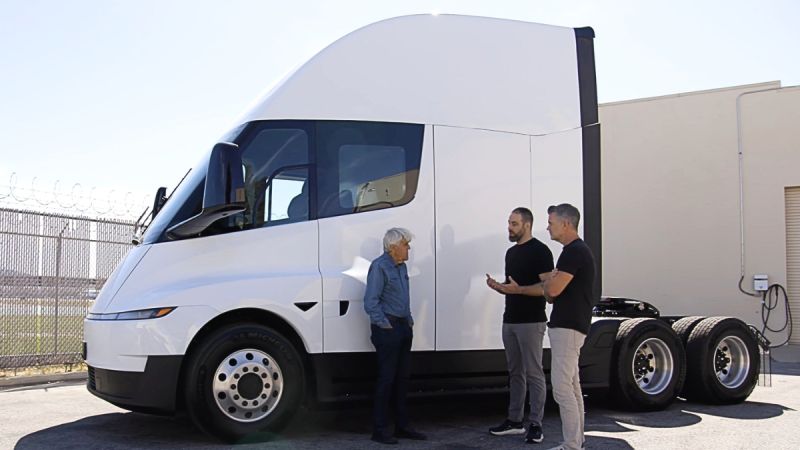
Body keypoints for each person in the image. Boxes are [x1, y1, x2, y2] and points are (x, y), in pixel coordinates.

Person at [496, 204, 596, 450]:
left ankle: (572, 444)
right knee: (572, 386)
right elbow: (551, 290)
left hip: (568, 326)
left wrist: (549, 282)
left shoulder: (573, 252)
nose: (548, 227)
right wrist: (551, 282)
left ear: (566, 224)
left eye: (551, 223)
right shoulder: (573, 251)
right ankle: (577, 440)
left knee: (562, 389)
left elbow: (550, 291)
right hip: (568, 326)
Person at [486, 207, 553, 444]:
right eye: (508, 223)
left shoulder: (541, 251)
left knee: (534, 373)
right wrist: (499, 287)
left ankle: (536, 424)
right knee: (515, 372)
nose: (509, 228)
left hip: (532, 321)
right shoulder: (510, 253)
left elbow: (548, 289)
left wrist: (519, 290)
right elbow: (510, 285)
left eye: (514, 223)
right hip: (510, 320)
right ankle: (514, 421)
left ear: (527, 225)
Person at [363, 227, 427, 445]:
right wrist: (385, 324)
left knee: (402, 379)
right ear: (393, 247)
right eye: (405, 244)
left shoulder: (401, 267)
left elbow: (403, 297)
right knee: (386, 379)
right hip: (388, 329)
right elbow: (371, 301)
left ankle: (402, 426)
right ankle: (379, 430)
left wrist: (407, 320)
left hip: (402, 327)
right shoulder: (380, 266)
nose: (408, 248)